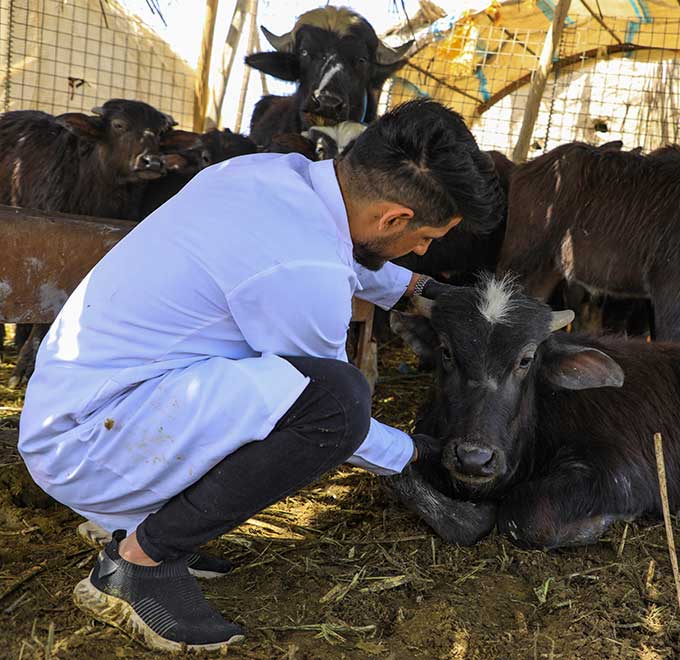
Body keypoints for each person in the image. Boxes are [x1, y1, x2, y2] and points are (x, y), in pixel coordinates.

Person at [17, 99, 504, 652]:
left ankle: (131, 518)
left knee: (299, 393)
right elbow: (338, 418)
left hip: (76, 404)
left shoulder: (269, 174)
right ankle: (138, 563)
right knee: (337, 402)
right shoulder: (304, 268)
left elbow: (328, 253)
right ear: (392, 217)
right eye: (424, 238)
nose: (422, 250)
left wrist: (419, 290)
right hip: (91, 443)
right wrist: (417, 451)